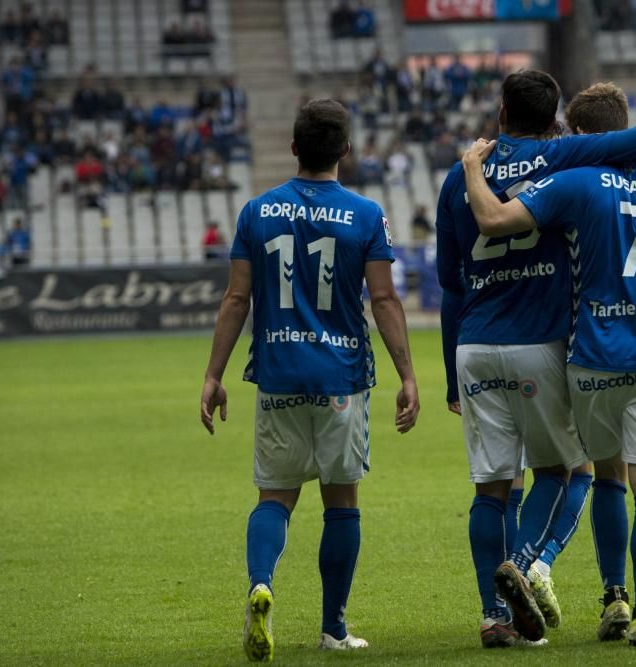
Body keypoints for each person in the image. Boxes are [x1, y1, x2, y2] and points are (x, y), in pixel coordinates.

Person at [461, 80, 636, 648]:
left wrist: (473, 165)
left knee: (607, 480)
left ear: (578, 133)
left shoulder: (572, 183)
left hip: (591, 355)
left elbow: (495, 222)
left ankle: (613, 598)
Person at [199, 99, 419, 662]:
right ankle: (333, 627)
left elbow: (236, 298)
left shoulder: (255, 212)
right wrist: (408, 375)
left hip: (277, 373)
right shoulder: (367, 215)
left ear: (295, 147)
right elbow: (385, 298)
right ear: (345, 150)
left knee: (274, 496)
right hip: (341, 377)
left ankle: (260, 584)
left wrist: (213, 375)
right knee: (341, 502)